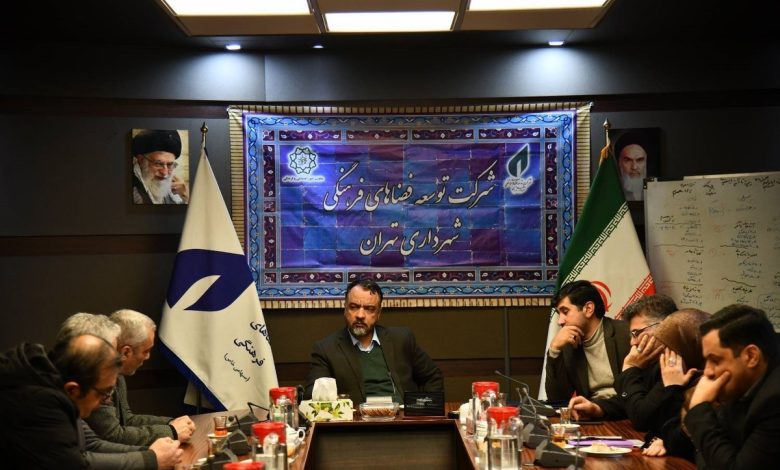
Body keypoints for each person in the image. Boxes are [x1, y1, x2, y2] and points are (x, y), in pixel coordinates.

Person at [57, 312, 183, 469]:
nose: (118, 360)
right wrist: (152, 458)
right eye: (111, 355)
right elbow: (80, 462)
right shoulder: (43, 403)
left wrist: (153, 454)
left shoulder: (66, 395)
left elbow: (93, 444)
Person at [303, 279, 443, 403]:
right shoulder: (326, 349)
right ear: (345, 309)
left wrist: (423, 409)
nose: (360, 315)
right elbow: (312, 394)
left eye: (369, 309)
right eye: (354, 307)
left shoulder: (401, 339)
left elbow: (433, 376)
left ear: (378, 313)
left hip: (402, 418)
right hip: (357, 421)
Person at [0, 334, 122, 468]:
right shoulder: (40, 407)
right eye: (104, 393)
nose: (107, 400)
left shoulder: (40, 383)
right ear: (72, 390)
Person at [684, 304, 780, 468]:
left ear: (751, 356)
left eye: (715, 360)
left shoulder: (774, 400)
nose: (707, 372)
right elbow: (709, 456)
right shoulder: (738, 385)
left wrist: (699, 410)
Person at [85, 309, 195, 446]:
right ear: (126, 352)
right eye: (146, 351)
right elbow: (112, 435)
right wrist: (171, 431)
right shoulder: (98, 377)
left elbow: (126, 419)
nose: (148, 357)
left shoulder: (118, 374)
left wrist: (171, 423)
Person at [568, 293, 678, 421]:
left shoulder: (677, 363)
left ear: (665, 327)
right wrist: (597, 408)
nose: (632, 342)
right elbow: (632, 400)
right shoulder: (655, 361)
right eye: (631, 335)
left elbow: (641, 416)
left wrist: (630, 368)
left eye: (637, 333)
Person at [545, 280, 631, 403]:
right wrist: (554, 349)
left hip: (625, 408)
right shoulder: (568, 344)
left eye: (565, 312)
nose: (560, 321)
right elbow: (557, 398)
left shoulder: (626, 333)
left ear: (589, 309)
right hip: (590, 410)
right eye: (559, 314)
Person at [132, 129, 189, 204]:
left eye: (170, 164)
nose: (165, 173)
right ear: (141, 160)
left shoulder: (175, 189)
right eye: (158, 164)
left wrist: (186, 196)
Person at [615, 132, 649, 201]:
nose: (634, 167)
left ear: (646, 161)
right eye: (628, 160)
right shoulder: (612, 191)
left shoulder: (657, 190)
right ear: (619, 162)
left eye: (639, 160)